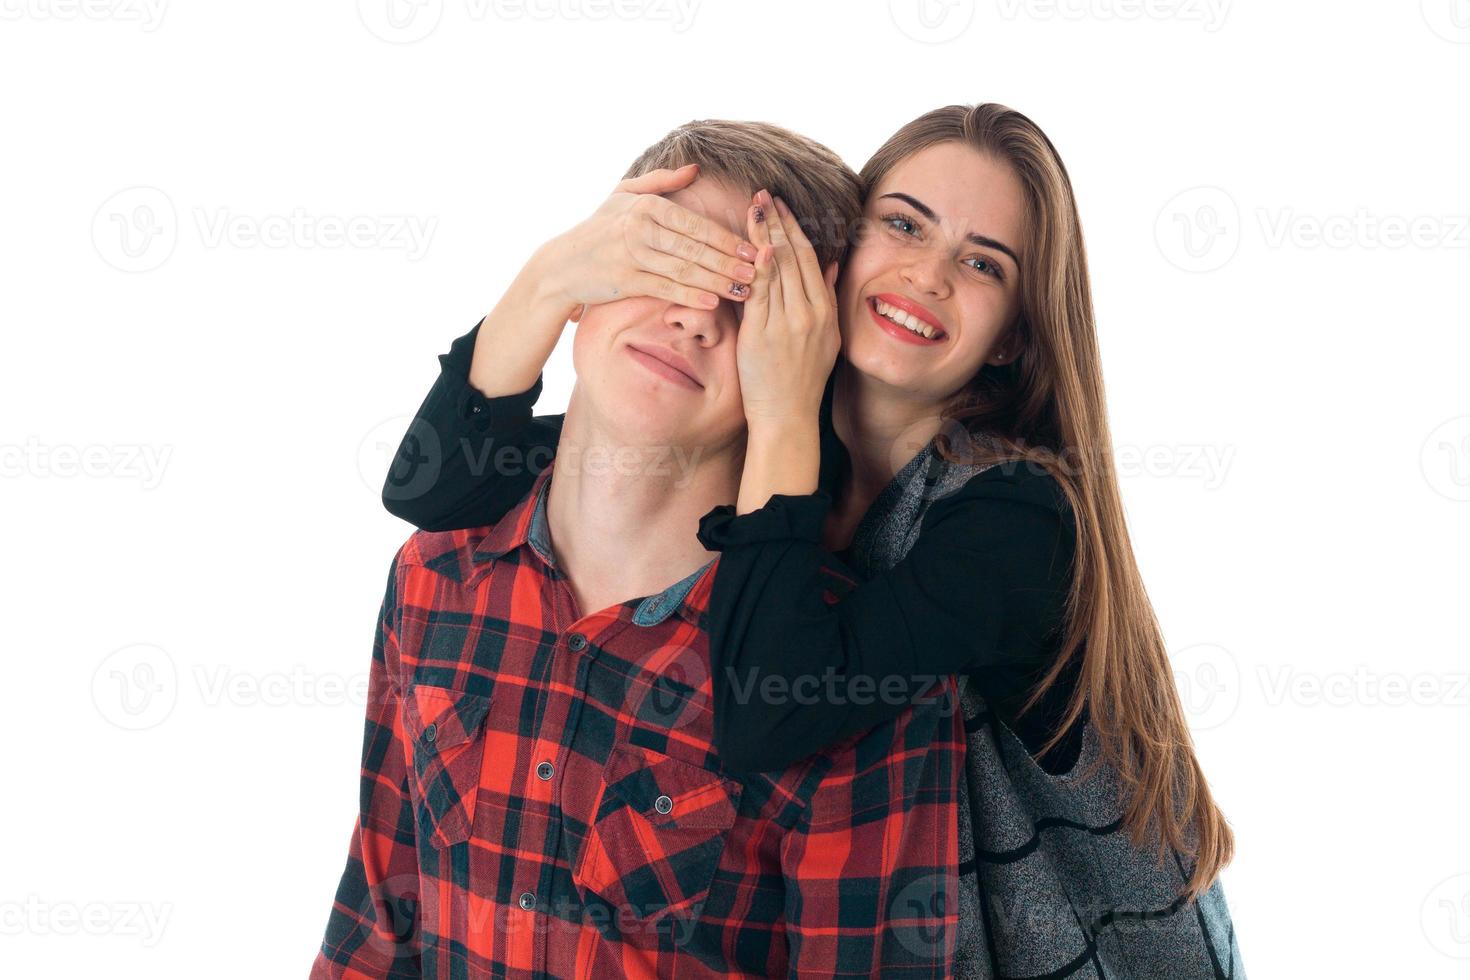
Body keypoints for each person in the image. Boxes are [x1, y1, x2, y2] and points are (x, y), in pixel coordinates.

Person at [378, 104, 1245, 977]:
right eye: (903, 224)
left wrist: (783, 405)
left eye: (982, 263)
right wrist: (551, 278)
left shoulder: (1015, 517)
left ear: (1014, 336)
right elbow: (435, 489)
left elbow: (764, 710)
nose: (927, 273)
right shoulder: (763, 441)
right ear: (832, 269)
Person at [312, 119, 967, 978]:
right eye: (668, 261)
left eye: (755, 306)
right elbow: (376, 920)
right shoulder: (436, 573)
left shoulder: (846, 674)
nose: (696, 313)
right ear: (585, 279)